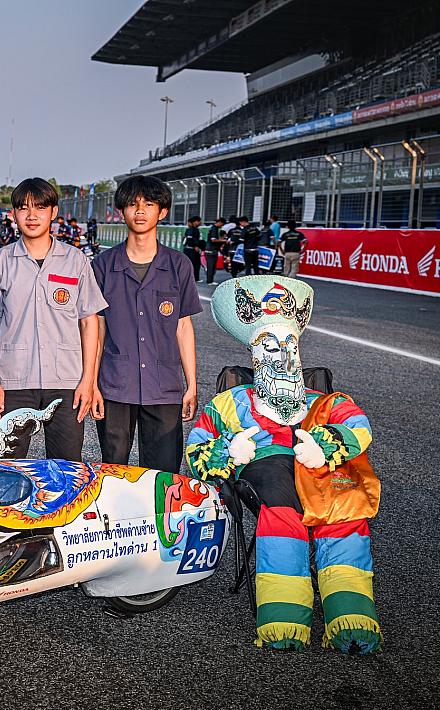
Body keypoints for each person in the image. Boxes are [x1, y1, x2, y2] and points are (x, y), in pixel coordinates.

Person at [188, 276, 381, 655]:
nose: (282, 357)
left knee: (344, 512)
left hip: (322, 476)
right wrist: (229, 451)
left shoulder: (321, 400)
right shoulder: (231, 402)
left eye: (290, 346)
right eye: (270, 346)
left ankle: (352, 619)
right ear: (253, 354)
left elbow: (359, 424)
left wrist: (327, 444)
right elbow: (196, 449)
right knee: (281, 507)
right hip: (267, 474)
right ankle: (285, 619)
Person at [0, 178, 106, 459]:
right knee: (4, 469)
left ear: (53, 212)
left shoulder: (75, 260)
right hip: (13, 380)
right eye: (23, 208)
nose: (32, 215)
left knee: (66, 468)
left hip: (66, 380)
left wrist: (88, 380)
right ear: (13, 214)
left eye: (40, 207)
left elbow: (89, 322)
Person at [91, 175, 201, 473]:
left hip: (164, 385)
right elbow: (96, 329)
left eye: (149, 204)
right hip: (116, 385)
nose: (140, 211)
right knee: (114, 471)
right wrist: (92, 384)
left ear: (162, 212)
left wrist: (191, 384)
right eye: (132, 204)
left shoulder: (178, 265)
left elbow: (183, 327)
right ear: (121, 212)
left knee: (163, 474)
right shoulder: (103, 266)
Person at [203, 217, 225, 285]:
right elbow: (213, 240)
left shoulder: (214, 228)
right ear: (220, 222)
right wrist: (223, 241)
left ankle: (210, 280)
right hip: (211, 250)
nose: (222, 226)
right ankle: (209, 281)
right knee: (211, 266)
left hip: (211, 250)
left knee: (212, 266)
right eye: (222, 224)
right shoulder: (214, 229)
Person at [182, 215, 203, 282]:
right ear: (195, 222)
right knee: (194, 264)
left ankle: (193, 278)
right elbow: (190, 239)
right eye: (199, 221)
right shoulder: (193, 230)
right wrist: (195, 246)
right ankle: (192, 278)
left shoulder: (190, 230)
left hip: (188, 249)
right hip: (191, 250)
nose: (200, 223)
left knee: (194, 264)